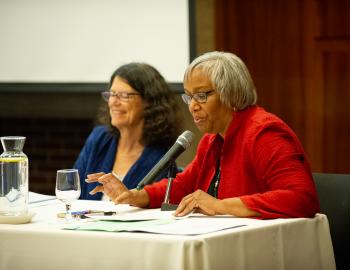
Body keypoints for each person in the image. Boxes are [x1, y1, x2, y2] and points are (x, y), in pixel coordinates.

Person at [87, 51, 320, 219]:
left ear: (230, 93)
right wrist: (135, 196)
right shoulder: (212, 139)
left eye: (202, 96)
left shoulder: (264, 133)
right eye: (189, 97)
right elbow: (182, 186)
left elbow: (302, 198)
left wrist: (220, 206)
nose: (192, 106)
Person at [74, 62, 182, 200]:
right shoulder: (99, 139)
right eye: (112, 94)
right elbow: (74, 191)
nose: (113, 102)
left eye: (124, 95)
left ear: (148, 101)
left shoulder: (162, 158)